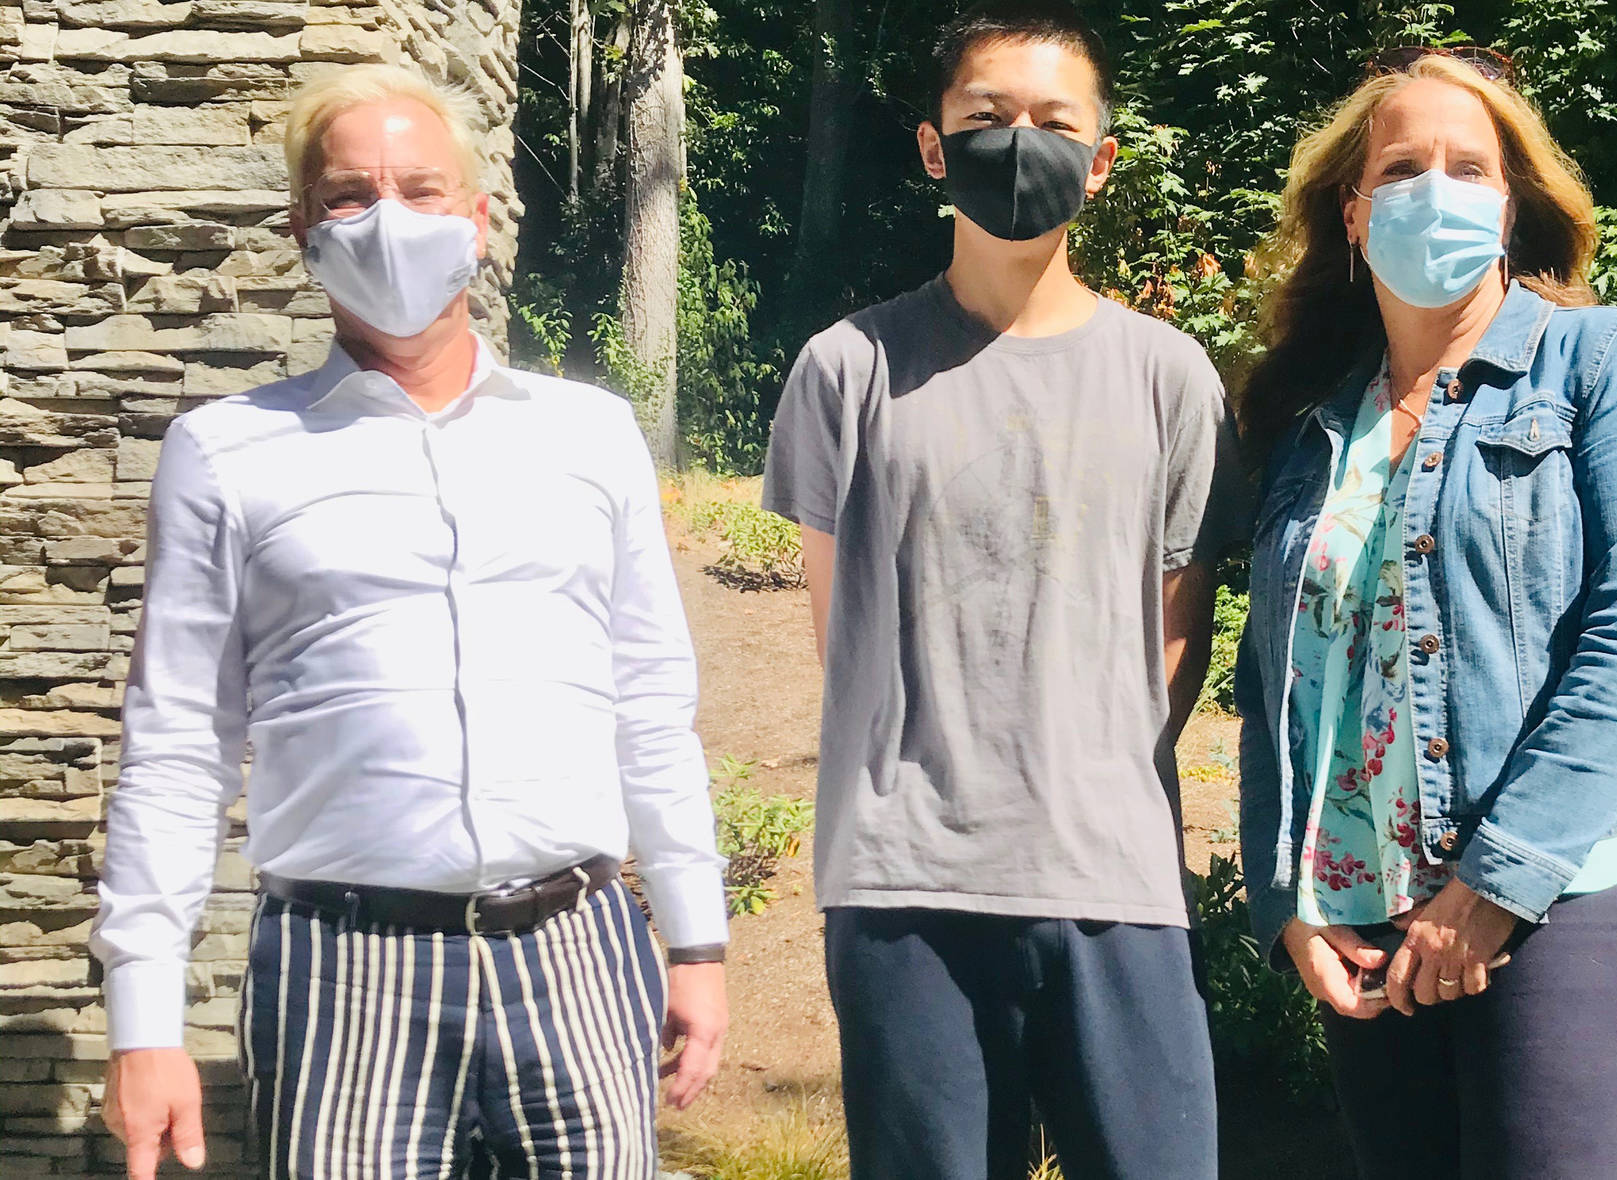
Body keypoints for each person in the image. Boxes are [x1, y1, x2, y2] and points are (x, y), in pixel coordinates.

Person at [90, 64, 730, 1180]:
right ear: (303, 230)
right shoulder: (227, 452)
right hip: (346, 971)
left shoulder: (589, 434)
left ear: (476, 222)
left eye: (422, 189)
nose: (388, 219)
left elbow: (649, 695)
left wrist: (696, 938)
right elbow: (179, 741)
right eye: (349, 195)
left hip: (576, 950)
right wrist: (144, 1018)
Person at [1233, 48, 1617, 1179]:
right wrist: (1289, 900)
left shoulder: (1604, 363)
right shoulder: (1310, 424)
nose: (1435, 188)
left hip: (1580, 888)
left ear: (1511, 205)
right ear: (1353, 211)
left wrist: (1495, 882)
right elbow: (1272, 680)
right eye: (1403, 165)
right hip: (1369, 912)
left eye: (1468, 166)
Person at [760, 3, 1240, 1176]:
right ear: (933, 145)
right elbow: (844, 633)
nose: (1016, 140)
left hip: (1110, 878)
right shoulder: (848, 368)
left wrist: (1081, 770)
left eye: (1050, 120)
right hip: (904, 883)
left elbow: (1177, 635)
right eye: (984, 116)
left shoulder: (1169, 378)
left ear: (1100, 155)